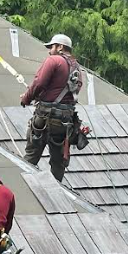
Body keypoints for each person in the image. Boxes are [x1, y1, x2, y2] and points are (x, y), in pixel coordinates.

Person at [20, 33, 83, 181]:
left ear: (60, 47)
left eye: (52, 47)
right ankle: (57, 189)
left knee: (30, 157)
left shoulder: (54, 60)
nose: (50, 51)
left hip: (45, 116)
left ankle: (24, 186)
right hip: (65, 121)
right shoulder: (77, 68)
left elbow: (39, 83)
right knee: (58, 163)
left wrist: (26, 98)